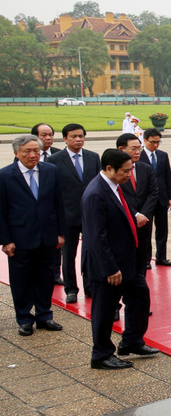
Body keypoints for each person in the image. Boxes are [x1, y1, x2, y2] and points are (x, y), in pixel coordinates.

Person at [83, 149, 156, 370]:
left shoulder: (113, 186)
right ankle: (102, 354)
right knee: (104, 310)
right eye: (125, 171)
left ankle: (132, 341)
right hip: (109, 265)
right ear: (109, 169)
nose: (129, 174)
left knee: (140, 298)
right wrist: (110, 268)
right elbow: (96, 236)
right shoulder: (96, 193)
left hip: (128, 261)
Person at [0, 135, 66, 336]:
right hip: (20, 238)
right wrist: (5, 240)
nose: (32, 155)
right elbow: (1, 211)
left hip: (47, 237)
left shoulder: (50, 171)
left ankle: (44, 315)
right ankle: (24, 318)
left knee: (46, 278)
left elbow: (59, 204)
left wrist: (60, 233)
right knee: (21, 280)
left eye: (36, 151)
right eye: (27, 151)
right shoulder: (5, 175)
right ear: (16, 153)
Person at [48, 123, 101, 303]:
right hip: (67, 216)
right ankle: (71, 288)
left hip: (90, 215)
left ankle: (89, 286)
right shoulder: (54, 160)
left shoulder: (93, 158)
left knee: (91, 253)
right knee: (68, 255)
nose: (78, 139)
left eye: (81, 136)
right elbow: (52, 191)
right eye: (73, 136)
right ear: (65, 139)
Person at [117, 134, 158, 273]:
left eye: (139, 148)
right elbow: (117, 195)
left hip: (144, 221)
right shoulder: (114, 171)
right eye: (133, 148)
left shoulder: (145, 168)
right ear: (121, 149)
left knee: (142, 260)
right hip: (125, 219)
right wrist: (134, 214)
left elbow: (153, 192)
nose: (137, 152)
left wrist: (143, 214)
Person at [141, 129, 171, 267]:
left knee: (162, 230)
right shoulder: (139, 156)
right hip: (146, 200)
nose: (155, 145)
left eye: (158, 142)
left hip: (161, 199)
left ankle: (161, 257)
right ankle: (146, 259)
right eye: (152, 142)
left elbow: (168, 177)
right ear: (145, 140)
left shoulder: (162, 155)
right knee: (146, 231)